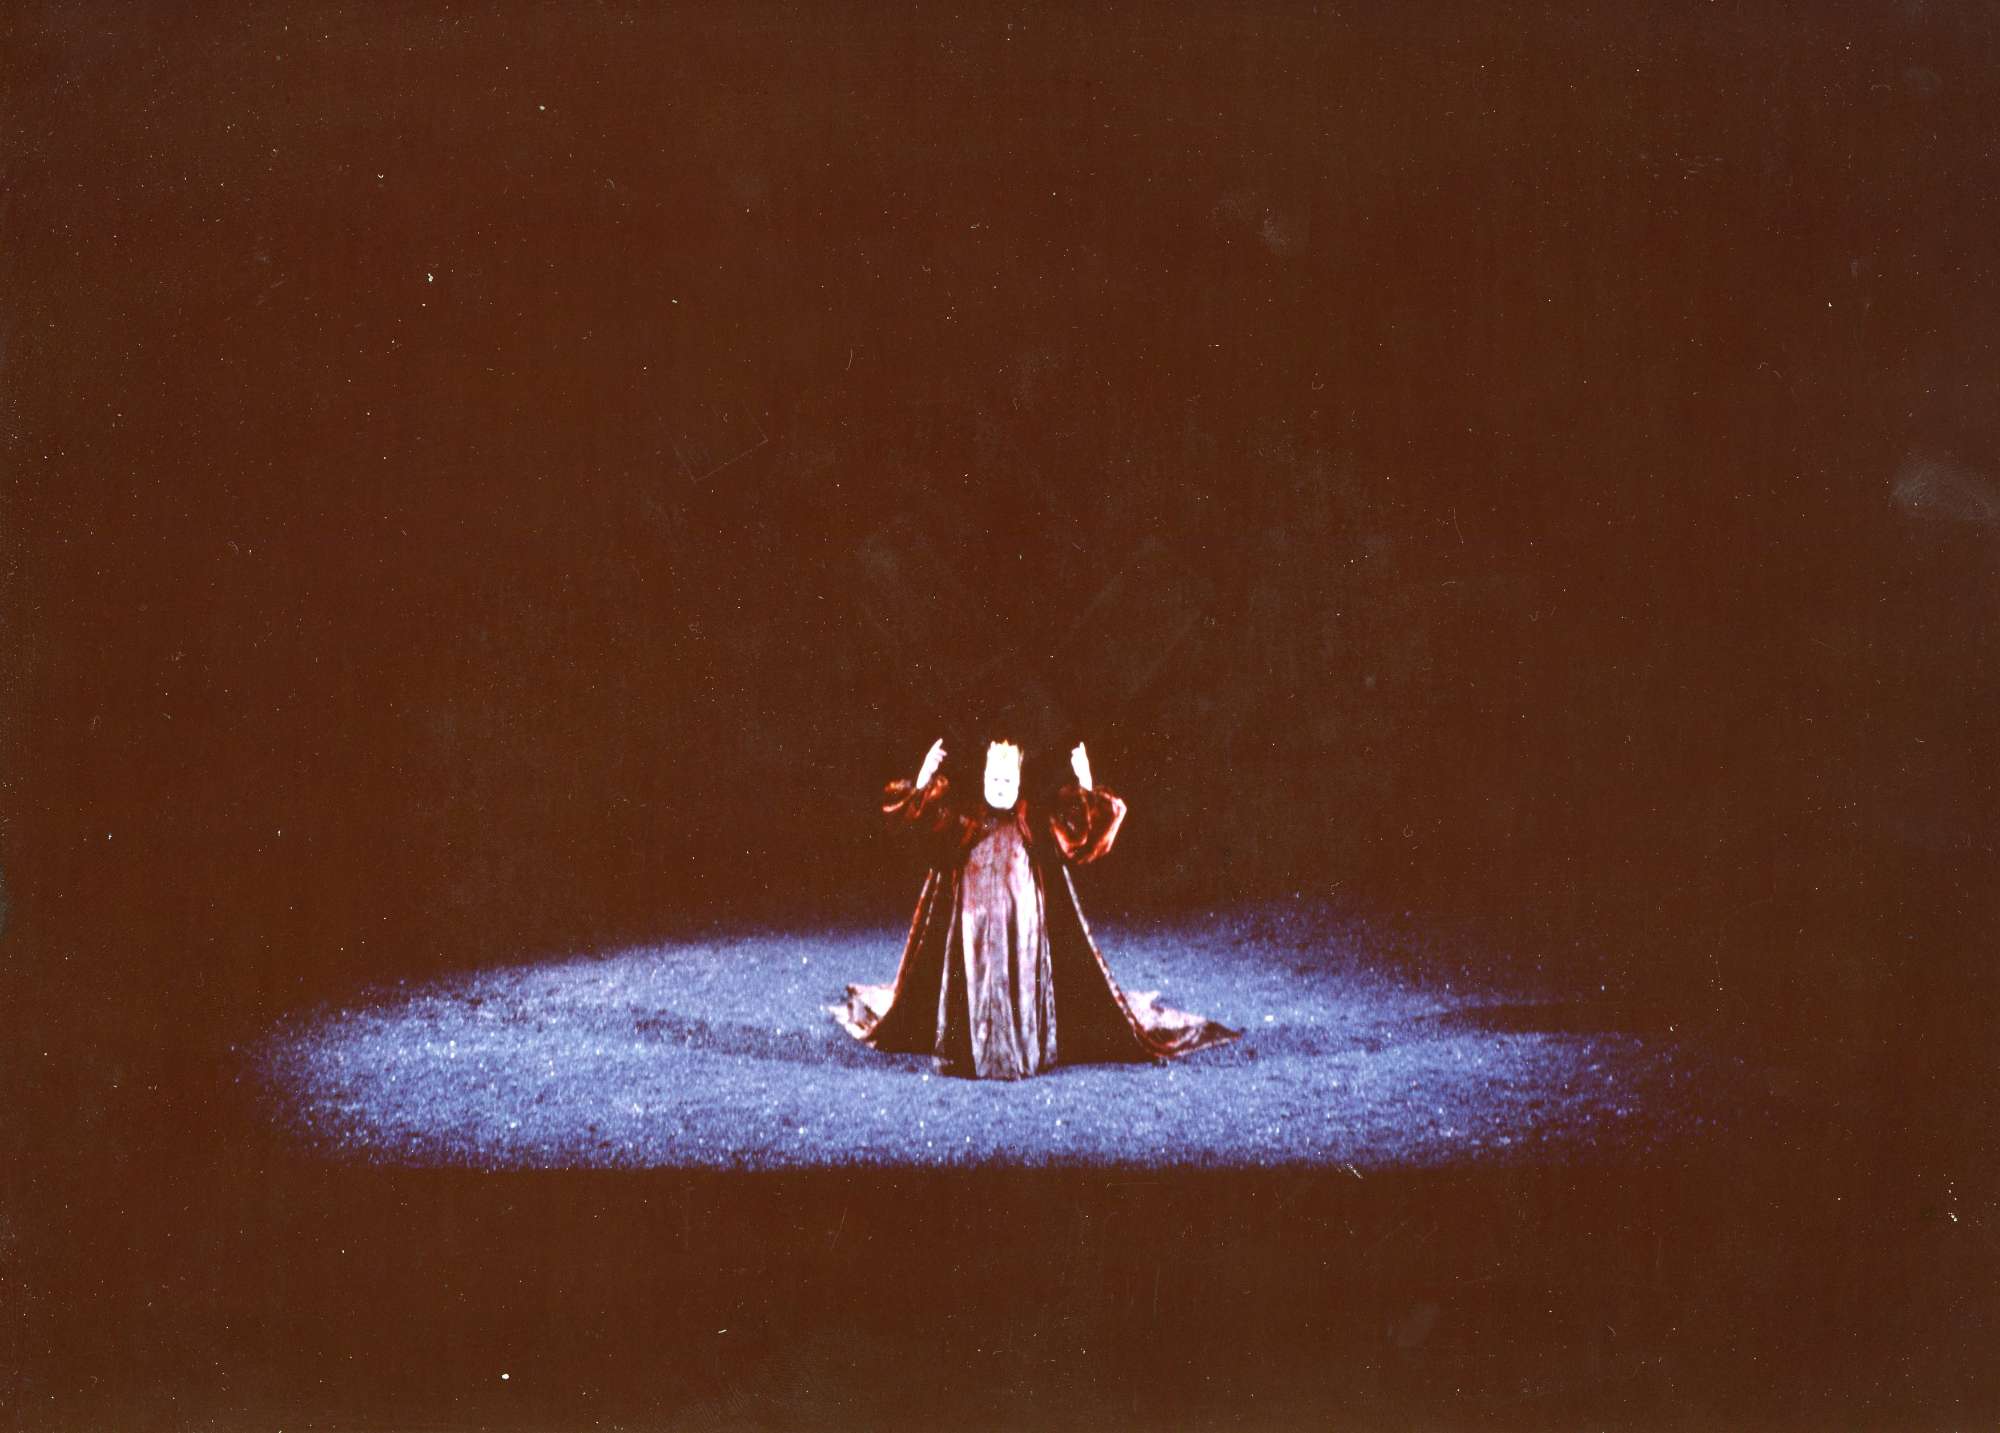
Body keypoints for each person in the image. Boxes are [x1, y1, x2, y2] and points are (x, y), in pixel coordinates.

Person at [830, 732, 1241, 1079]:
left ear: (1019, 780)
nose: (1000, 786)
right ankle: (971, 1049)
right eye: (994, 778)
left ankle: (1021, 1050)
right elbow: (917, 825)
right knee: (976, 981)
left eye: (1008, 779)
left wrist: (1086, 782)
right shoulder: (966, 822)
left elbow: (1087, 834)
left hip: (1023, 933)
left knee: (1018, 979)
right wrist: (923, 778)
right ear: (983, 777)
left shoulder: (1033, 822)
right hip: (972, 930)